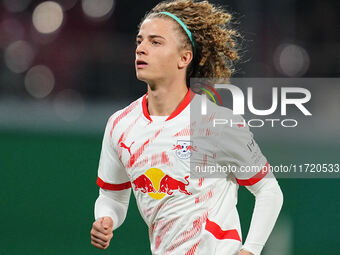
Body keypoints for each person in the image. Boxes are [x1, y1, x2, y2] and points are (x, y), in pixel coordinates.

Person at [90, 1, 283, 254]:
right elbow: (112, 196)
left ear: (184, 58)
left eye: (155, 42)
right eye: (140, 41)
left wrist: (251, 250)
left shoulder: (217, 123)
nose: (141, 49)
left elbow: (269, 190)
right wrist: (106, 219)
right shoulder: (121, 125)